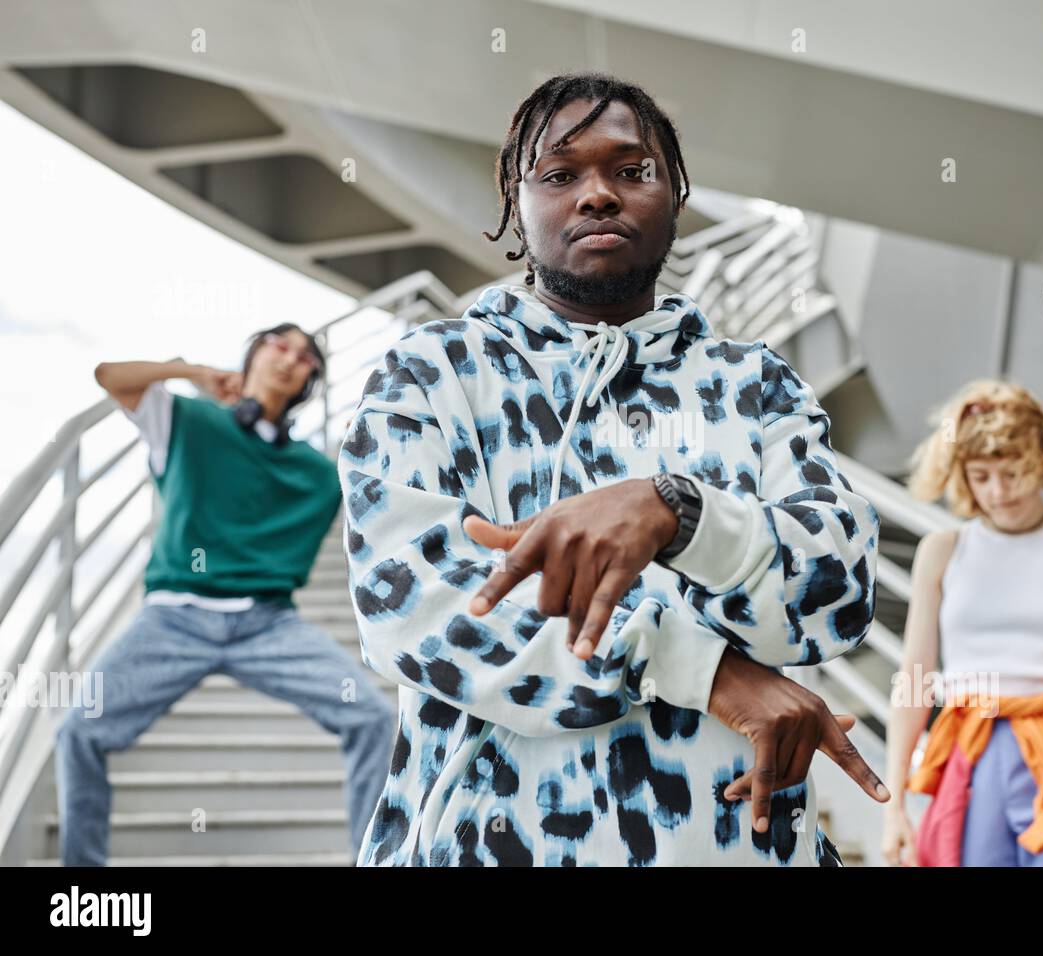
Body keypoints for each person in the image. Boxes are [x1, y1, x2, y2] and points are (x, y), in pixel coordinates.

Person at [338, 71, 889, 867]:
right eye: (559, 175)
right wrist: (704, 670)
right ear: (516, 206)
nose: (597, 195)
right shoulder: (434, 373)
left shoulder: (755, 383)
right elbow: (416, 609)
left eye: (631, 171)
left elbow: (834, 593)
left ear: (675, 193)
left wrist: (679, 512)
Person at [56, 324, 395, 866]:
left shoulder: (318, 472)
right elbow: (109, 377)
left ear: (311, 380)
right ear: (254, 353)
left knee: (374, 718)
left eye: (306, 357)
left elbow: (384, 507)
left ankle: (375, 860)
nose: (291, 358)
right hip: (172, 619)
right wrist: (191, 373)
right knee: (78, 729)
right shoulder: (187, 420)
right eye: (278, 344)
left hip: (268, 625)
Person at [880, 379, 1043, 867]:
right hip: (969, 752)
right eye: (981, 476)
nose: (998, 492)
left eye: (1013, 473)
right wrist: (893, 803)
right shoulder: (942, 552)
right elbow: (915, 679)